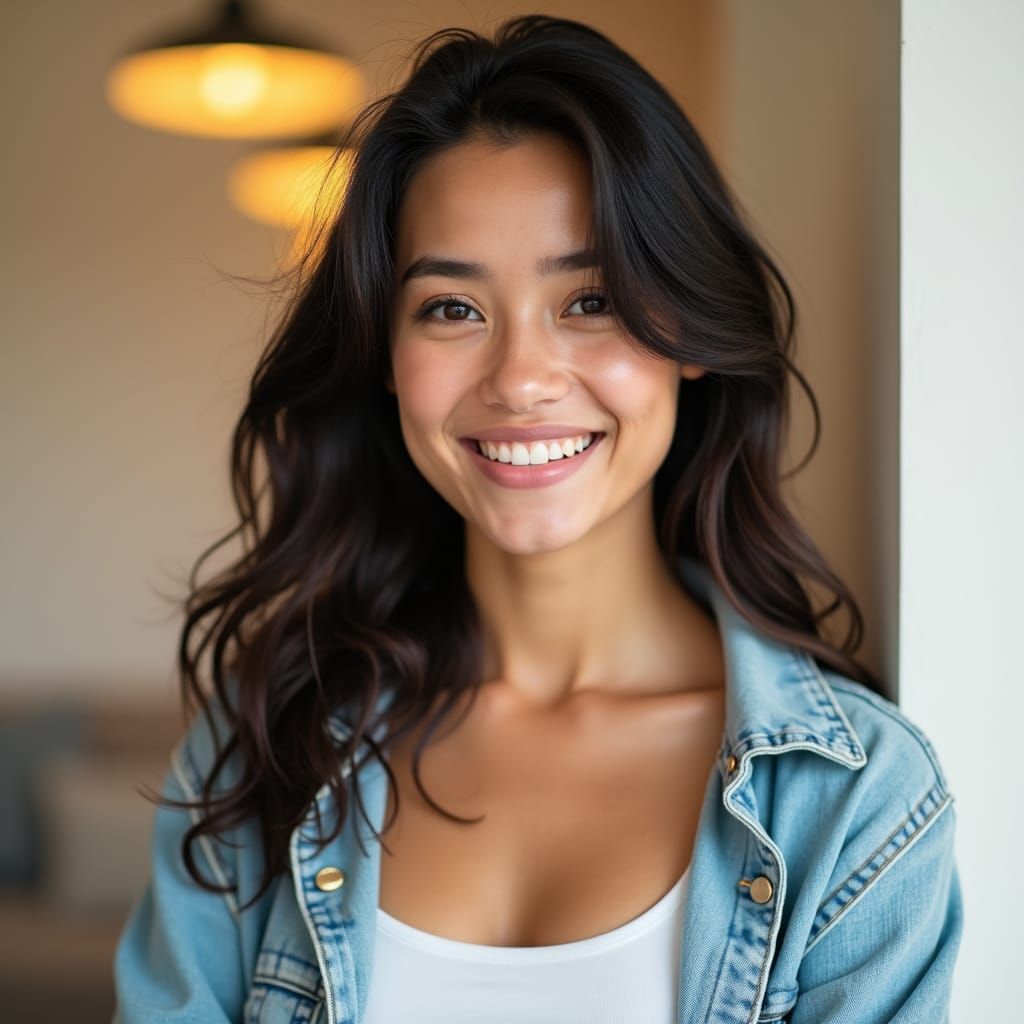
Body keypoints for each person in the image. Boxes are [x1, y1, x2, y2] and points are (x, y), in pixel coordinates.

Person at [111, 14, 962, 1023]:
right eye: (452, 309)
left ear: (686, 327)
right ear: (386, 358)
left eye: (591, 298)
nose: (519, 379)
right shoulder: (260, 748)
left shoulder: (854, 803)